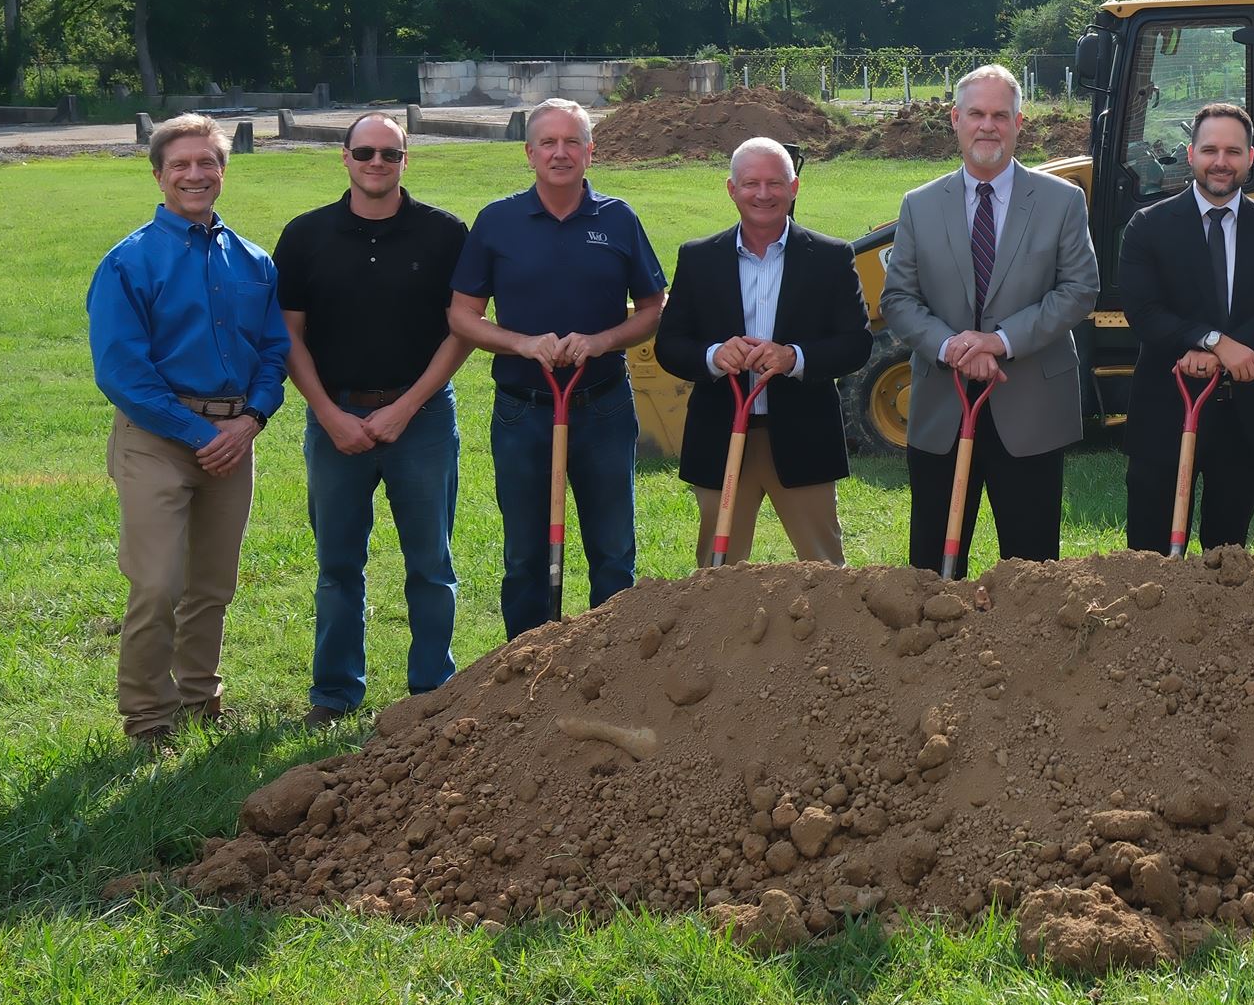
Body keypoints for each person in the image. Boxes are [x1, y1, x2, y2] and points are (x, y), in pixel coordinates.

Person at [86, 114, 288, 746]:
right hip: (158, 438)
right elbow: (122, 372)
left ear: (223, 171)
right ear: (159, 174)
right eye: (181, 165)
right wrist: (199, 435)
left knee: (212, 585)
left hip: (235, 437)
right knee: (156, 584)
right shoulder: (129, 262)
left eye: (208, 163)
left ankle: (200, 700)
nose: (195, 175)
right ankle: (148, 719)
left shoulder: (253, 260)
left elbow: (275, 350)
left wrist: (251, 420)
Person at [274, 113, 473, 726]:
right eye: (365, 152)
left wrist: (406, 406)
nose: (377, 163)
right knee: (337, 566)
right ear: (345, 158)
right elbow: (287, 336)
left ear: (406, 160)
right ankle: (334, 695)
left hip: (422, 419)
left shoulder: (444, 235)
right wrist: (330, 415)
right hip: (336, 419)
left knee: (431, 563)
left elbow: (462, 331)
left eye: (390, 153)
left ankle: (431, 693)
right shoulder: (306, 236)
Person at [448, 99, 666, 638]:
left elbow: (656, 307)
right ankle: (526, 669)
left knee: (613, 550)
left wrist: (601, 341)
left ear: (591, 152)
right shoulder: (498, 222)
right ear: (529, 153)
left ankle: (610, 662)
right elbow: (461, 316)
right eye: (548, 142)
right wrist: (522, 344)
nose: (560, 153)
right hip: (524, 412)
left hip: (604, 406)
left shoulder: (618, 219)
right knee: (525, 554)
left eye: (573, 142)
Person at [880, 64, 1098, 574]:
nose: (988, 126)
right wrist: (953, 346)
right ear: (955, 119)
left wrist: (999, 341)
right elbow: (899, 300)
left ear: (1019, 123)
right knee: (932, 568)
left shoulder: (1062, 202)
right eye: (976, 113)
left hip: (1030, 411)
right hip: (941, 407)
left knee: (1030, 572)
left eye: (1001, 115)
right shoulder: (919, 205)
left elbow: (1079, 291)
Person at [654, 137, 873, 566]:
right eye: (751, 183)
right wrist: (714, 355)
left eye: (775, 183)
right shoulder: (698, 258)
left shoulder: (830, 257)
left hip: (804, 436)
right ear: (731, 189)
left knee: (824, 568)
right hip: (720, 436)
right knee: (717, 573)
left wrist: (794, 358)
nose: (763, 194)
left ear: (794, 188)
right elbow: (670, 345)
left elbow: (856, 343)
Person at [1116, 104, 1254, 554]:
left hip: (1245, 412)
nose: (1221, 161)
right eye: (1210, 150)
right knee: (1150, 548)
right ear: (1190, 154)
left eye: (1233, 151)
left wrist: (1229, 353)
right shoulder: (1148, 226)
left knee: (1227, 550)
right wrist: (1213, 341)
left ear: (1251, 157)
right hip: (1167, 405)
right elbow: (1142, 311)